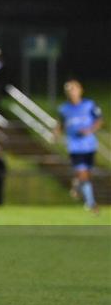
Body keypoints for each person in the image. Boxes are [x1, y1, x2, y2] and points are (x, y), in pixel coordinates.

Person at [55, 79, 102, 212]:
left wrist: (89, 130)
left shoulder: (89, 105)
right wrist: (56, 133)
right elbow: (60, 124)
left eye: (74, 89)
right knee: (83, 173)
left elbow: (99, 120)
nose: (72, 93)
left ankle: (77, 184)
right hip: (75, 146)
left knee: (87, 174)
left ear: (80, 90)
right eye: (69, 91)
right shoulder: (64, 109)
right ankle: (91, 203)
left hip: (89, 145)